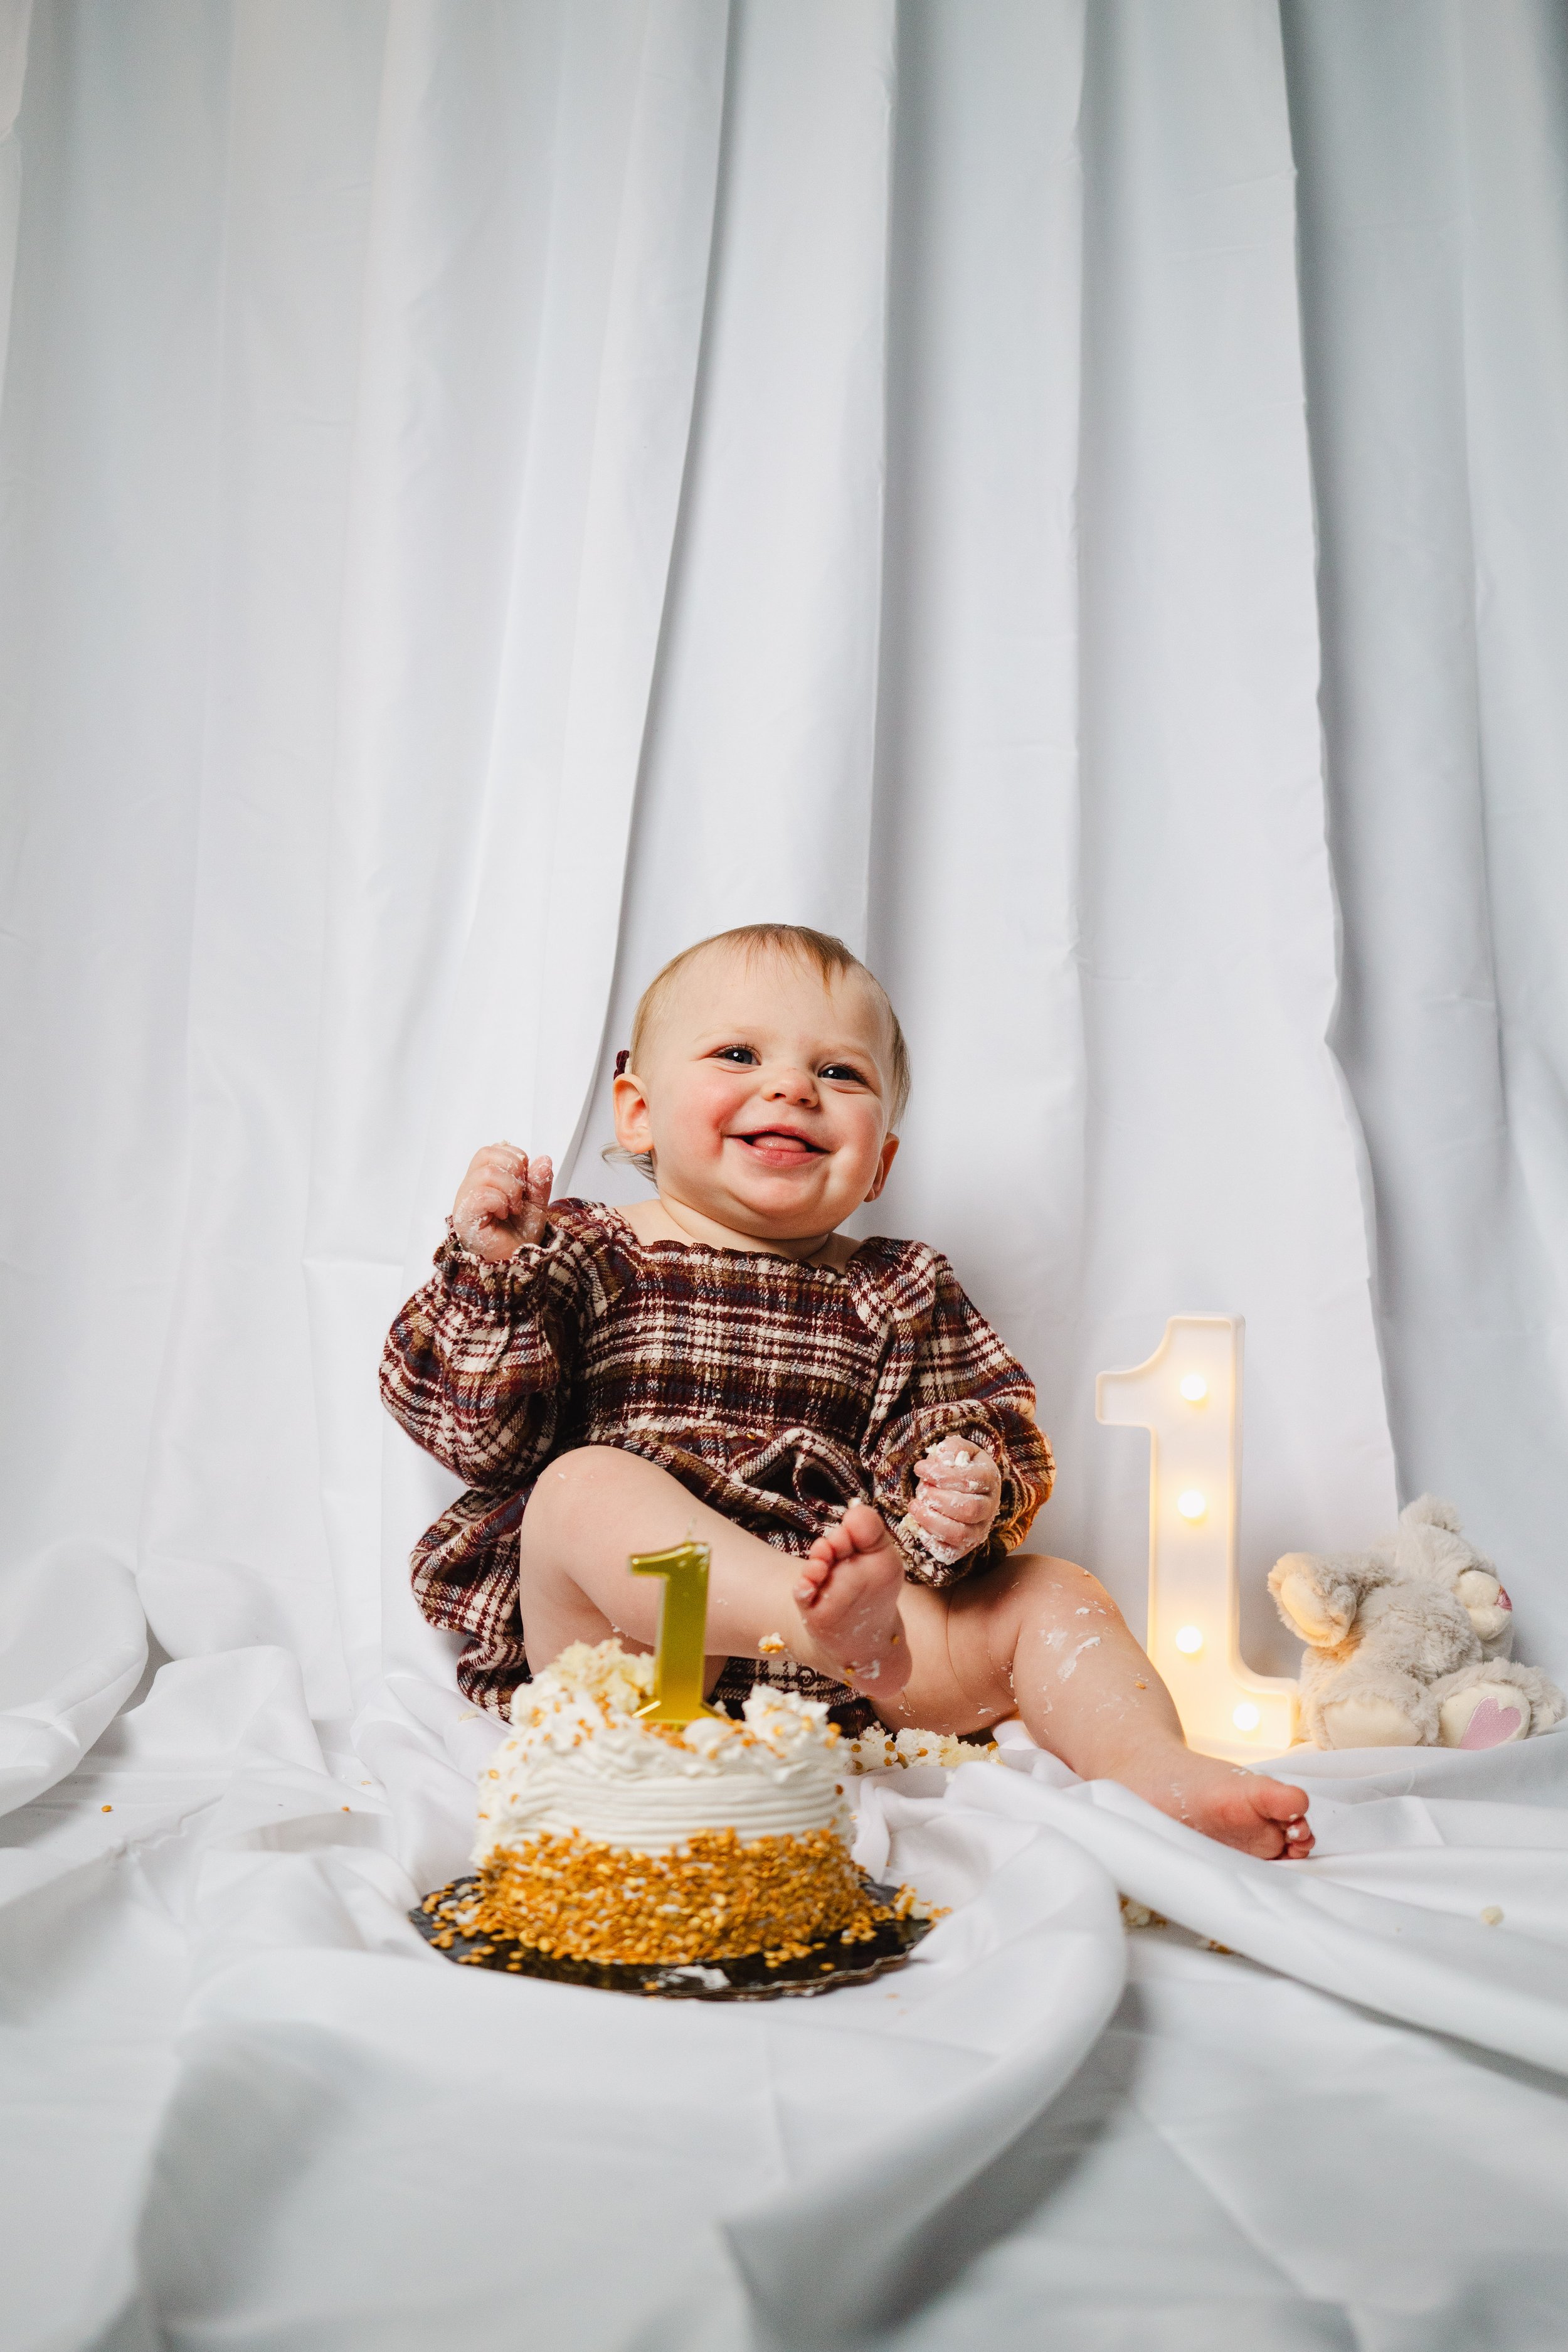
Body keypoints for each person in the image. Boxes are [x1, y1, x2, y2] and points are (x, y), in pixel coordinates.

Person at [381, 922, 1313, 1860]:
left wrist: (957, 1487)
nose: (792, 1087)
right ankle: (801, 1616)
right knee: (581, 1488)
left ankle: (1156, 1769)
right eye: (738, 1054)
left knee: (1049, 1594)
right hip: (645, 1659)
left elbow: (961, 1423)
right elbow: (476, 1438)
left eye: (839, 1072)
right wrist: (490, 1274)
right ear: (638, 1113)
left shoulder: (898, 1287)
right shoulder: (581, 1253)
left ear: (880, 1164)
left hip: (865, 1661)